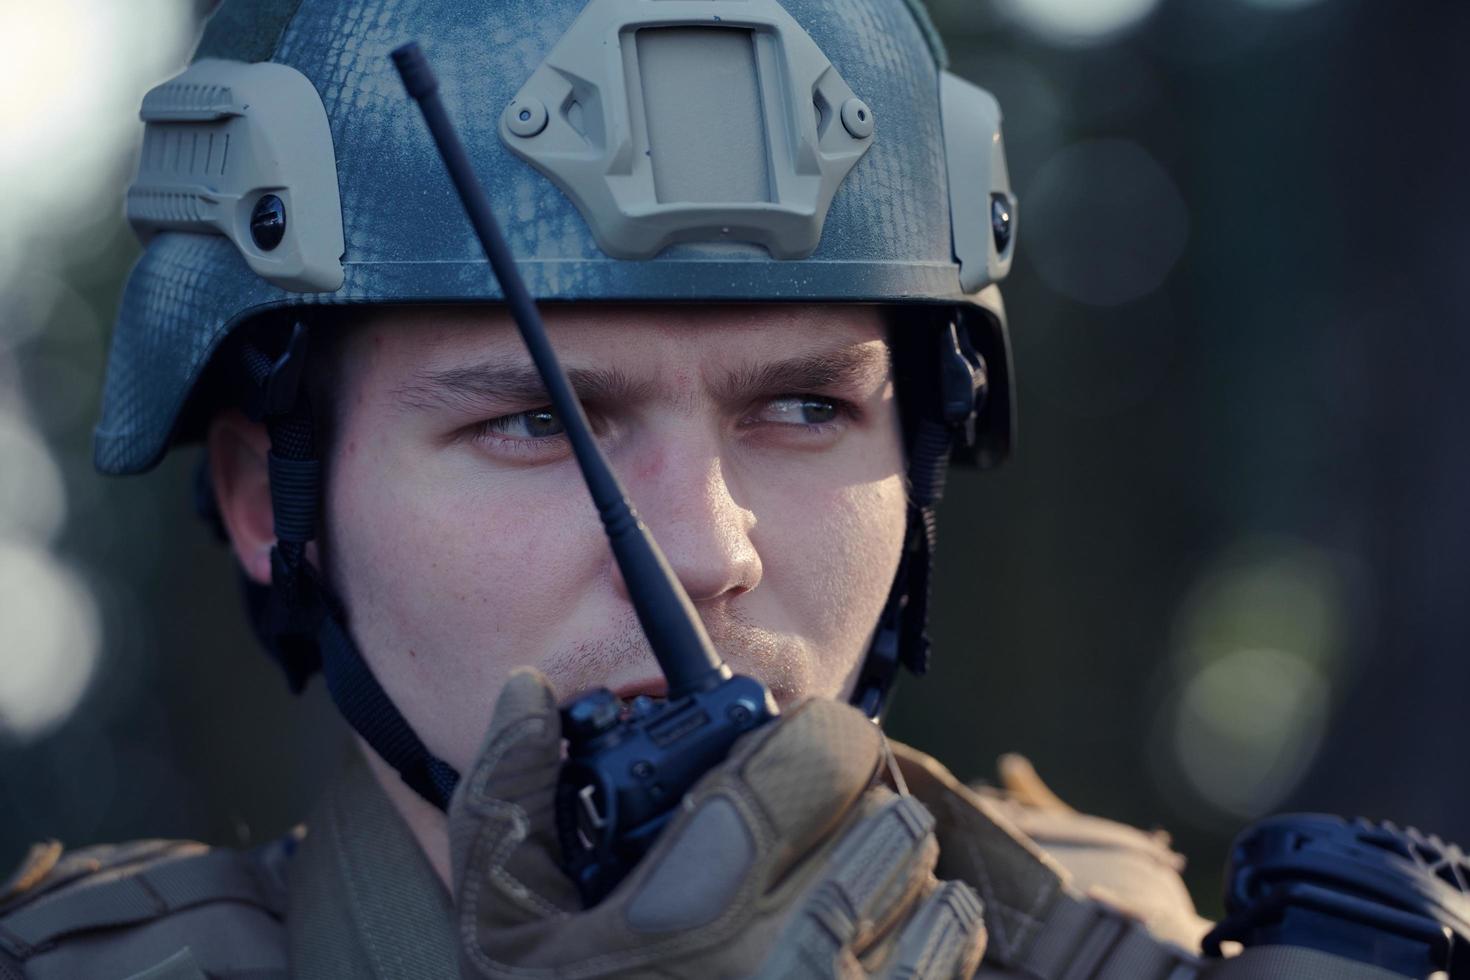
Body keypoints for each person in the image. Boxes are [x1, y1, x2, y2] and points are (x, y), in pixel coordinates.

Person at [3, 1, 1407, 977]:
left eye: (805, 408)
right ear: (268, 505)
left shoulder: (1130, 945)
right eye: (535, 425)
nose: (701, 546)